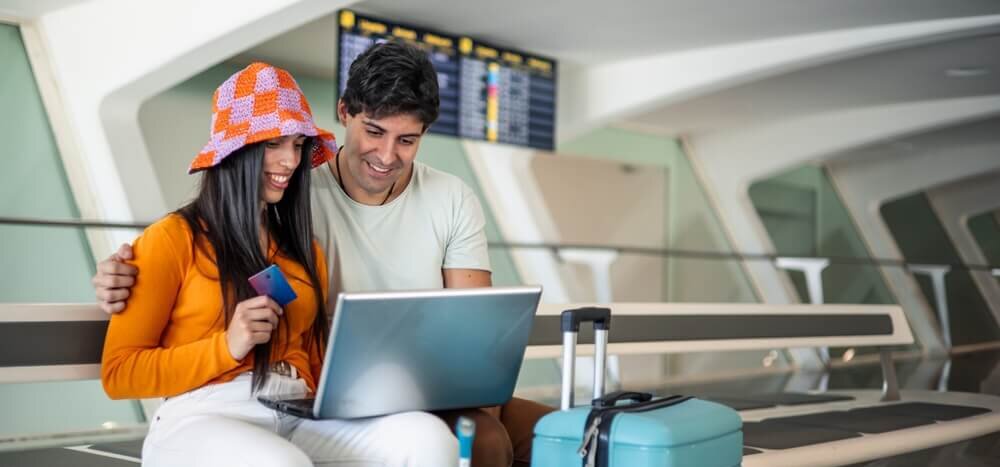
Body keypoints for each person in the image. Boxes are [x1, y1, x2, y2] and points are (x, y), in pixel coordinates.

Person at [94, 42, 554, 467]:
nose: (290, 161)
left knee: (432, 440)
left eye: (296, 145)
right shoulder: (174, 238)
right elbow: (120, 372)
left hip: (298, 407)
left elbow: (309, 351)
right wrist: (225, 344)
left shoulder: (295, 246)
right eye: (272, 143)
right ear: (235, 150)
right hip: (206, 412)